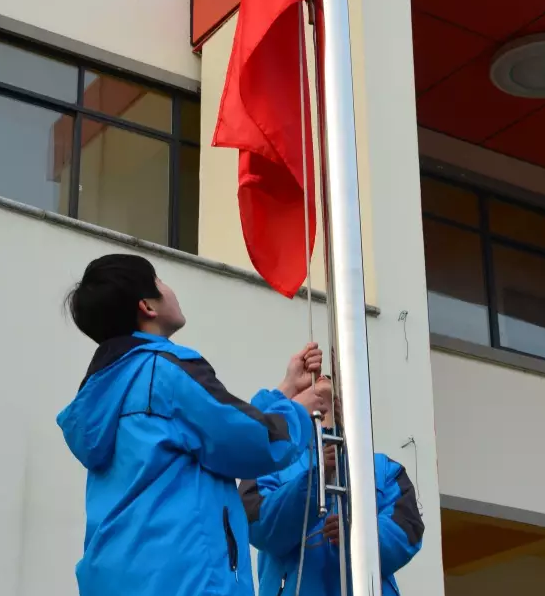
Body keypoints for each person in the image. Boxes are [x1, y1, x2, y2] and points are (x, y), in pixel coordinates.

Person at [57, 253, 328, 596]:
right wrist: (299, 412)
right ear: (148, 307)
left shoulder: (109, 389)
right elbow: (248, 441)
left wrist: (285, 392)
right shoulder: (166, 370)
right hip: (185, 579)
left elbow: (211, 429)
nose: (168, 289)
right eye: (158, 281)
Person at [239, 376, 424, 596]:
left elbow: (406, 532)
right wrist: (315, 482)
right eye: (309, 383)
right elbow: (258, 525)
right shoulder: (274, 461)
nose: (322, 376)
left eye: (329, 376)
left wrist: (357, 535)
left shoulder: (383, 469)